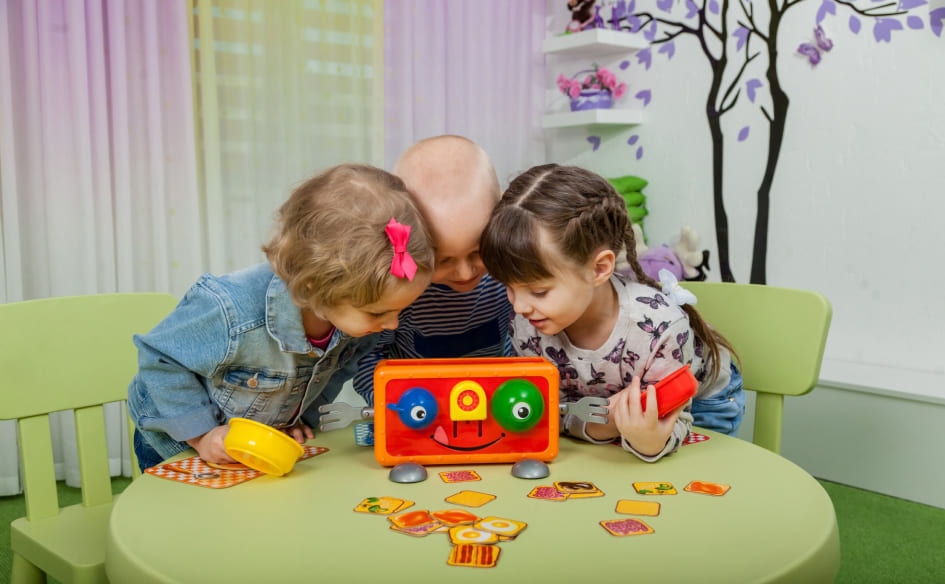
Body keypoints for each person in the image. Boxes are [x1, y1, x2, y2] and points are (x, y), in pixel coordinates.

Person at [128, 164, 435, 470]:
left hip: (249, 451)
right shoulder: (231, 309)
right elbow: (160, 358)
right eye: (378, 312)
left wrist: (297, 417)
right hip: (178, 446)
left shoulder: (359, 327)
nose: (392, 324)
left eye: (400, 310)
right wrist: (202, 436)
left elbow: (333, 374)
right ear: (316, 285)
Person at [479, 163, 745, 462]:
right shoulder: (526, 325)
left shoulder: (658, 328)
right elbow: (549, 411)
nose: (518, 306)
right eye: (509, 287)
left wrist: (646, 439)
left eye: (539, 291)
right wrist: (603, 425)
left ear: (599, 269)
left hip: (698, 403)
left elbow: (670, 424)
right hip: (606, 411)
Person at [352, 136, 514, 406]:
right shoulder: (400, 290)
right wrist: (392, 404)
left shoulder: (511, 277)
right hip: (417, 415)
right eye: (443, 260)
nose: (465, 273)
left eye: (478, 251)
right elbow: (368, 357)